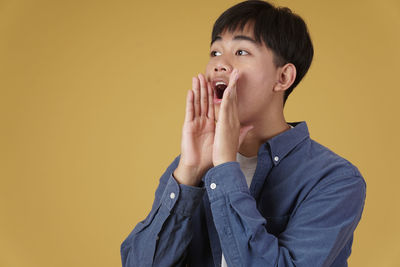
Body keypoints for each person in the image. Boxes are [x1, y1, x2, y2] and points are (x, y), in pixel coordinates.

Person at [120, 1, 366, 266]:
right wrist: (188, 174)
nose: (219, 65)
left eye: (241, 51)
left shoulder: (334, 180)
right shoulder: (190, 169)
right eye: (215, 52)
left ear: (283, 78)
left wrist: (226, 168)